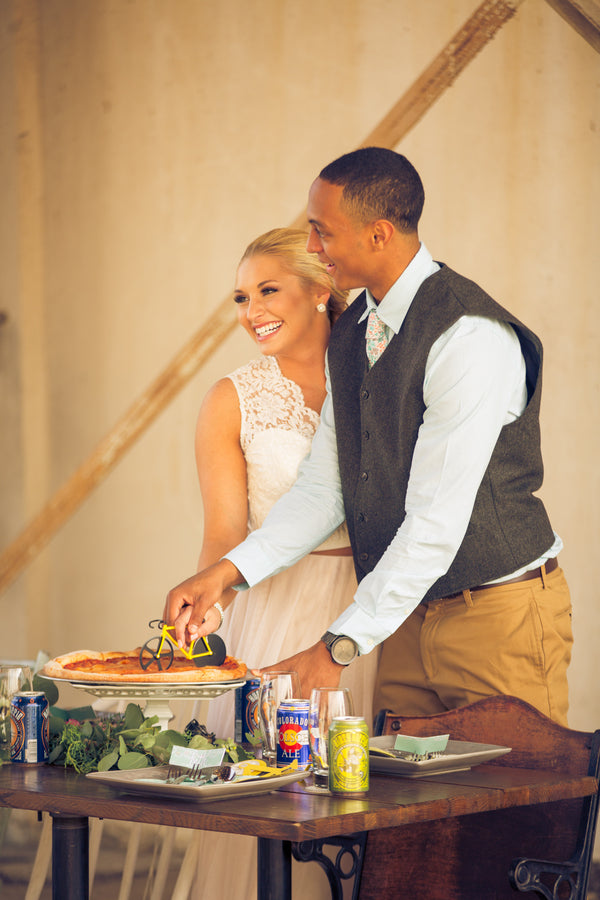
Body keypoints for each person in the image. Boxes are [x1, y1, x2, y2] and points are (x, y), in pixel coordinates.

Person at [165, 148, 573, 729]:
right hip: (403, 619)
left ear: (378, 234)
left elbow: (434, 524)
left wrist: (334, 648)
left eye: (321, 231)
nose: (311, 247)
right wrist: (227, 573)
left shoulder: (468, 336)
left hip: (496, 613)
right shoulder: (353, 336)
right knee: (397, 814)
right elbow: (324, 487)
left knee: (514, 812)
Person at [179, 227, 379, 900]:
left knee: (380, 815)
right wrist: (206, 614)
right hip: (279, 617)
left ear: (322, 290)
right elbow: (225, 535)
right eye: (241, 296)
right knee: (282, 814)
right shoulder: (231, 399)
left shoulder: (381, 375)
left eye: (268, 289)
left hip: (380, 608)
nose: (251, 310)